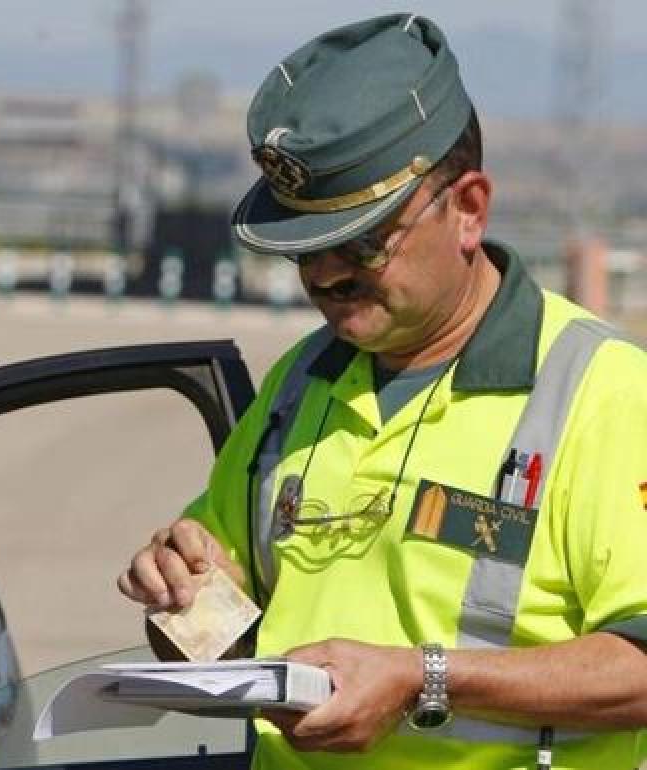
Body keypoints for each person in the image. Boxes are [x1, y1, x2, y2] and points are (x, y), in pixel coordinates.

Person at [117, 13, 647, 769]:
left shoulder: (603, 393)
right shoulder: (301, 382)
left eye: (362, 242)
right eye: (301, 249)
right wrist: (180, 595)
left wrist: (421, 680)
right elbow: (222, 638)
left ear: (468, 208)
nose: (326, 275)